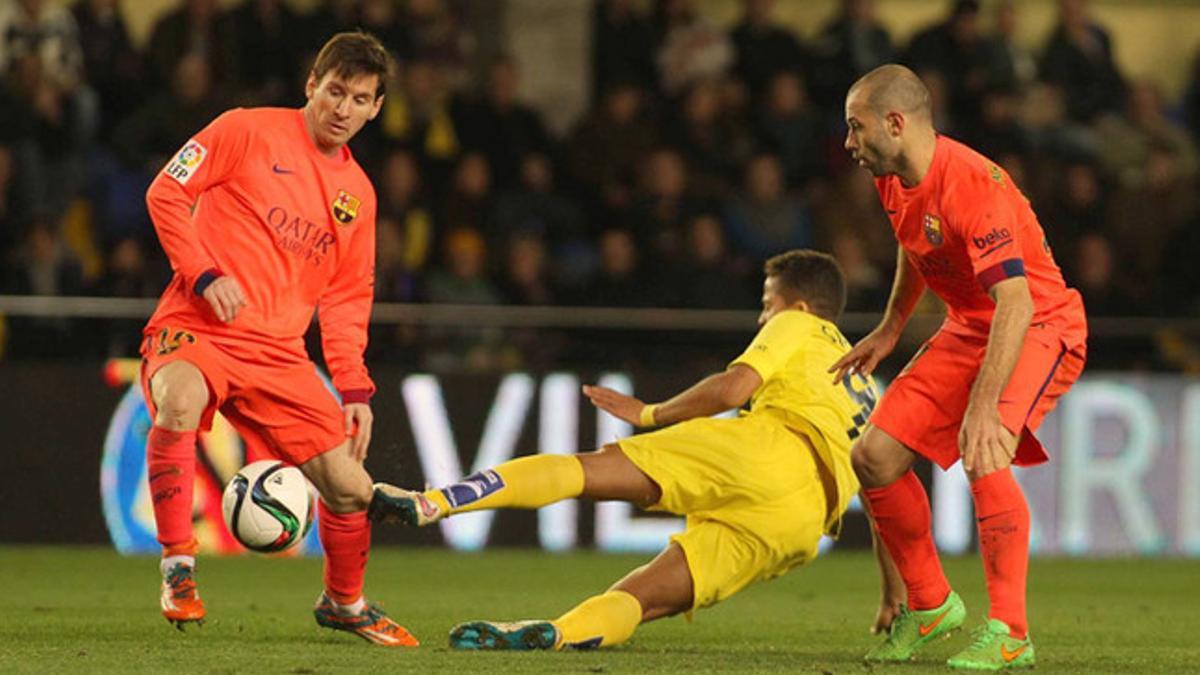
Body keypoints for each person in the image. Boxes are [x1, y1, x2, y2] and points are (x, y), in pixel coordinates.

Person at [371, 250, 877, 651]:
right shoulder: (868, 386)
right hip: (804, 526)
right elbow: (884, 487)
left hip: (773, 448)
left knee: (587, 472)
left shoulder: (799, 326)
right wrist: (898, 592)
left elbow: (732, 389)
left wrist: (649, 413)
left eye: (768, 304)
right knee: (642, 598)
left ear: (803, 307)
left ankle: (432, 503)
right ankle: (562, 633)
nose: (763, 317)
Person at [139, 32, 417, 647]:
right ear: (311, 85)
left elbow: (346, 299)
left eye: (361, 99)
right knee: (178, 401)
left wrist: (353, 385)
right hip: (199, 327)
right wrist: (205, 273)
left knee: (351, 489)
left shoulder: (359, 197)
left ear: (377, 108)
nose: (343, 109)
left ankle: (344, 603)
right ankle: (179, 567)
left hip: (279, 355)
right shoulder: (245, 129)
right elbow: (166, 190)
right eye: (336, 91)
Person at [836, 64, 1087, 670]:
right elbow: (912, 243)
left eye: (856, 127)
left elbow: (1017, 300)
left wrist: (983, 401)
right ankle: (929, 607)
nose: (849, 143)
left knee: (986, 446)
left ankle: (1011, 633)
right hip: (972, 325)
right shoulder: (893, 176)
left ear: (896, 124)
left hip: (1038, 324)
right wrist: (892, 327)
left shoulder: (973, 184)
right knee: (873, 457)